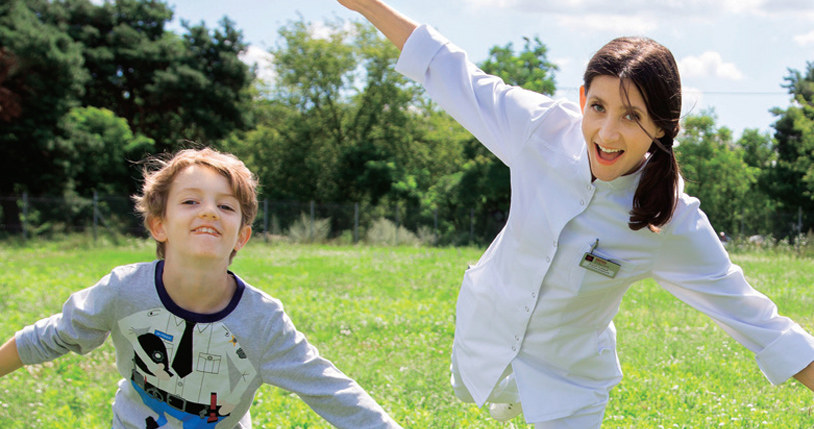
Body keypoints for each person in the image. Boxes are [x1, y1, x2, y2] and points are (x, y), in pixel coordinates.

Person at [336, 1, 814, 427]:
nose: (607, 133)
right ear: (582, 100)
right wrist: (367, 5)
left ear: (663, 128)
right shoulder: (538, 128)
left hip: (570, 377)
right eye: (599, 107)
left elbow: (759, 320)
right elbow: (451, 70)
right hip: (486, 336)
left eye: (632, 116)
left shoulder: (672, 221)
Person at [0, 148, 402, 429]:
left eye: (226, 206)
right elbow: (53, 336)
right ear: (159, 225)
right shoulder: (123, 290)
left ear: (240, 238)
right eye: (191, 201)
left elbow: (331, 391)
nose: (210, 210)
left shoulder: (261, 321)